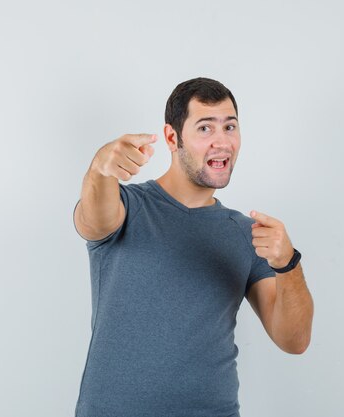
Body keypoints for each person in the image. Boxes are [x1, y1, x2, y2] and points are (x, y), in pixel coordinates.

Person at [72, 77, 314, 417]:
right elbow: (93, 220)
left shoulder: (247, 234)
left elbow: (294, 340)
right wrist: (100, 168)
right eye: (205, 128)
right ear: (173, 138)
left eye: (230, 127)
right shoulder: (126, 205)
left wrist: (288, 263)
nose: (222, 141)